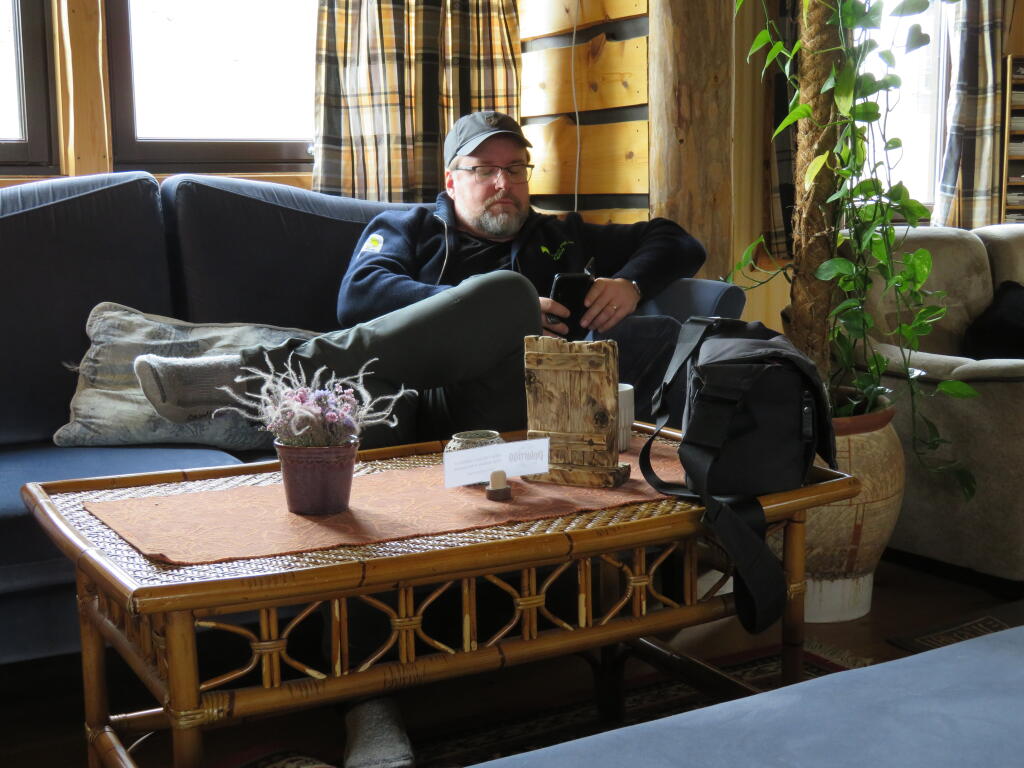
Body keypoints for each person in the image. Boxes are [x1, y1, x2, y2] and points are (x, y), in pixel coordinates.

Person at [134, 111, 706, 446]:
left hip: (532, 404)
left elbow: (679, 241)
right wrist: (487, 311)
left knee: (536, 307)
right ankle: (257, 375)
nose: (503, 184)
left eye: (514, 169)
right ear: (451, 182)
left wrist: (631, 283)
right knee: (508, 296)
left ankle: (254, 375)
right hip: (429, 397)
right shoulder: (408, 228)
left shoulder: (561, 234)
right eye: (483, 170)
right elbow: (359, 297)